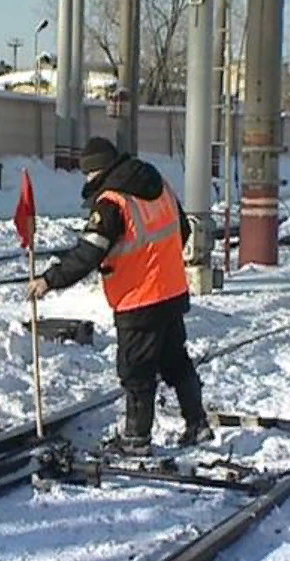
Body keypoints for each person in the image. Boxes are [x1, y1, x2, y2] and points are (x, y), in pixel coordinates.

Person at [27, 137, 213, 455]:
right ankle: (197, 424)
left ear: (96, 171)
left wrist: (49, 280)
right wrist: (159, 263)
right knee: (175, 362)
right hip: (170, 291)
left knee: (136, 371)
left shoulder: (112, 202)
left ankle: (136, 440)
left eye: (87, 174)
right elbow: (182, 229)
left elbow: (88, 253)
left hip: (139, 299)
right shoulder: (158, 183)